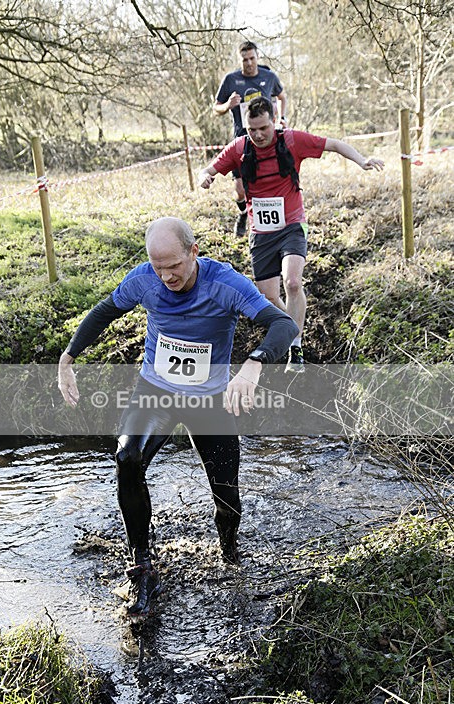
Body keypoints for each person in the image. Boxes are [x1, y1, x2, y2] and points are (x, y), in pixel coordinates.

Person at [58, 217, 298, 617]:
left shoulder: (225, 284)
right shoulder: (144, 280)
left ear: (193, 253)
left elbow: (283, 323)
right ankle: (142, 566)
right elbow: (103, 312)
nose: (167, 276)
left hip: (209, 402)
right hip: (157, 392)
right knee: (127, 458)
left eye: (174, 266)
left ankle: (229, 552)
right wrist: (68, 358)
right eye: (158, 267)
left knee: (227, 498)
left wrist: (253, 365)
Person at [199, 96, 385, 372]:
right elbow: (209, 168)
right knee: (269, 297)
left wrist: (362, 160)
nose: (259, 135)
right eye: (253, 129)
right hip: (261, 232)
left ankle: (295, 345)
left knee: (293, 282)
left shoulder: (292, 141)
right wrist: (207, 176)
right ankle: (290, 322)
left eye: (264, 128)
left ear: (274, 121)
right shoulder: (239, 147)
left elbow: (333, 144)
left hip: (292, 225)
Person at [214, 40, 287, 237]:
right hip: (241, 139)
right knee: (239, 189)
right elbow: (216, 107)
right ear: (240, 60)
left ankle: (271, 224)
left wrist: (282, 118)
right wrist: (228, 105)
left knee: (267, 182)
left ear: (257, 57)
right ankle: (244, 213)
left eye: (252, 58)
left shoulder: (269, 76)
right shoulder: (231, 79)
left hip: (266, 140)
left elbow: (282, 97)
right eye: (245, 59)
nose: (249, 63)